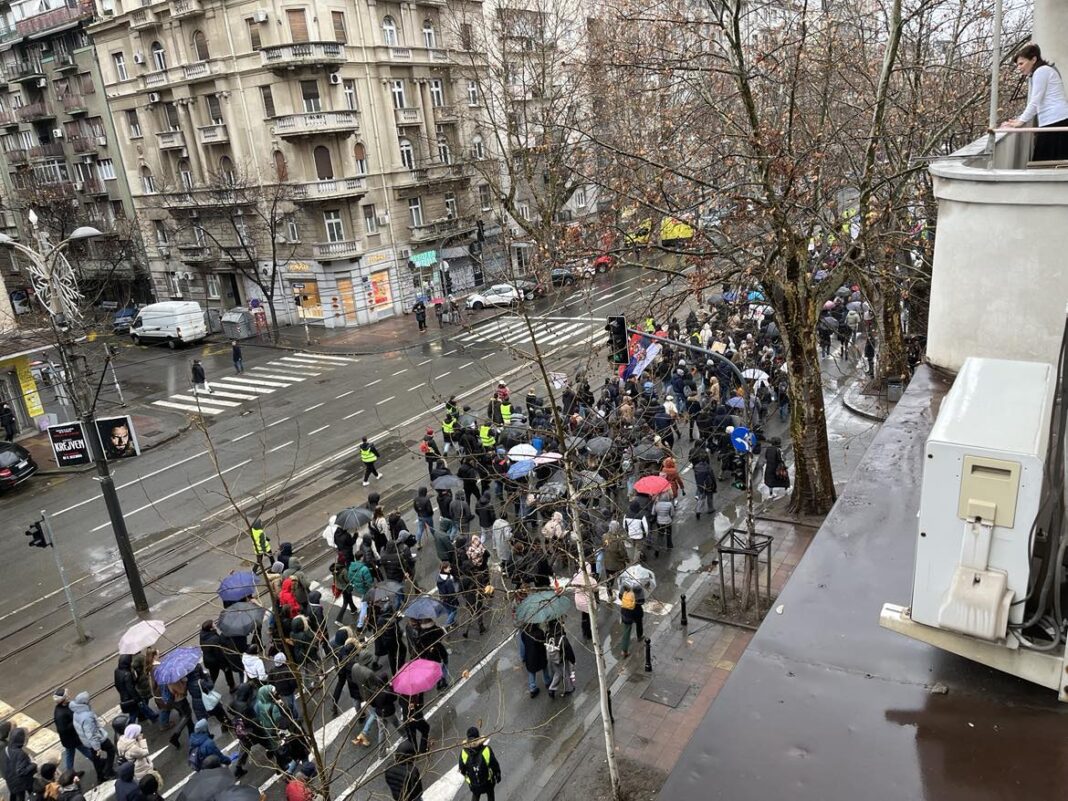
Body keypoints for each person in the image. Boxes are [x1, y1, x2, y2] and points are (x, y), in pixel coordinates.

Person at [1004, 43, 1068, 161]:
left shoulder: (1041, 71)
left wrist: (1021, 121)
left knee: (1044, 161)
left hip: (1055, 121)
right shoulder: (1041, 72)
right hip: (1055, 120)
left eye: (1021, 63)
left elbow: (1035, 101)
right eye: (1018, 64)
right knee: (1052, 160)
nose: (1019, 67)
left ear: (1033, 59)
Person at [69, 692, 115, 783]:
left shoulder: (76, 712)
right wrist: (97, 747)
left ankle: (100, 776)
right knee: (111, 750)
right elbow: (91, 734)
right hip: (97, 740)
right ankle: (108, 771)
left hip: (87, 742)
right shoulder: (86, 717)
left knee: (96, 759)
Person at [53, 690, 93, 774]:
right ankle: (98, 761)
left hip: (71, 739)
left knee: (70, 754)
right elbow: (62, 729)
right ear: (63, 699)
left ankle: (70, 773)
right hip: (73, 738)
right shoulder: (60, 714)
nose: (69, 696)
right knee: (86, 750)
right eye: (67, 696)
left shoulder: (65, 706)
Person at [457, 727, 501, 801]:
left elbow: (462, 769)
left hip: (474, 785)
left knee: (476, 794)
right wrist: (498, 775)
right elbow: (494, 765)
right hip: (487, 783)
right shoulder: (486, 750)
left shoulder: (464, 752)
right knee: (490, 794)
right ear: (478, 737)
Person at [3, 727, 36, 801]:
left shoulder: (7, 748)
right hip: (22, 782)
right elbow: (21, 771)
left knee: (18, 797)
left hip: (12, 780)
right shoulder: (20, 753)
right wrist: (33, 763)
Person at [545, 621, 576, 698]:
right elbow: (568, 650)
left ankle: (551, 689)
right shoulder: (562, 638)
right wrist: (573, 660)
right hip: (561, 658)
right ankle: (568, 689)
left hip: (553, 658)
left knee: (558, 673)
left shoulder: (548, 635)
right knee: (565, 673)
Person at [520, 624, 551, 698]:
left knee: (531, 671)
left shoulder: (524, 633)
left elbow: (523, 647)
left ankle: (533, 688)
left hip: (530, 657)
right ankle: (547, 682)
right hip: (540, 655)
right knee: (544, 667)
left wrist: (523, 657)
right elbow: (544, 644)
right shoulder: (540, 632)